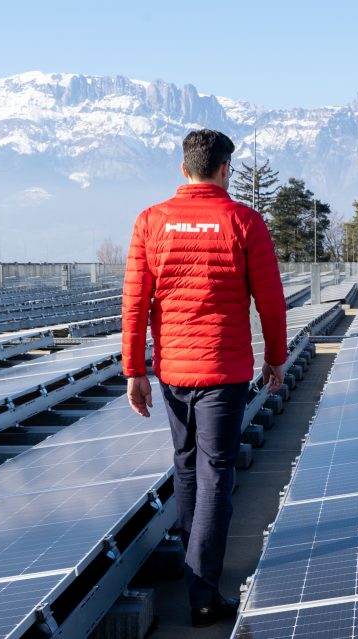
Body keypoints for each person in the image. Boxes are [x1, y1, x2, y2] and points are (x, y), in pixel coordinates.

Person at [122, 129, 287, 627]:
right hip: (224, 369)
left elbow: (134, 303)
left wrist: (134, 369)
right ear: (223, 169)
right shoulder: (243, 221)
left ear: (183, 169)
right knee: (217, 473)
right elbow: (271, 300)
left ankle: (198, 571)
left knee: (188, 466)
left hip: (173, 370)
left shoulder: (151, 222)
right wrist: (276, 359)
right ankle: (204, 593)